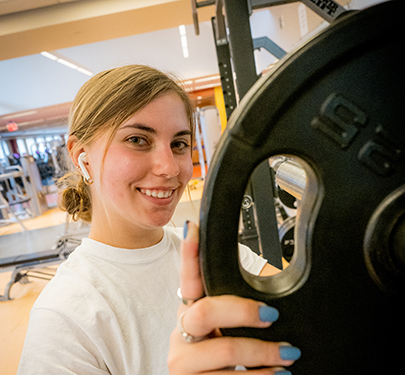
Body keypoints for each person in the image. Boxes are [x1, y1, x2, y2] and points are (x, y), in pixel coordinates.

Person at [17, 65, 301, 374]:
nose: (169, 168)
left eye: (179, 144)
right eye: (137, 140)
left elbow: (309, 322)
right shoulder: (63, 317)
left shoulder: (209, 254)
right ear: (82, 156)